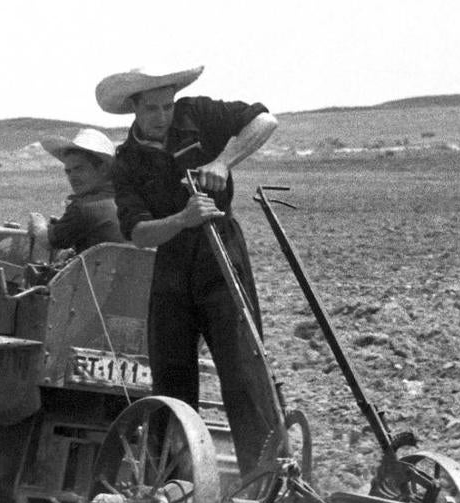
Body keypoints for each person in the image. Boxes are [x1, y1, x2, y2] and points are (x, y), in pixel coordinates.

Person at [95, 65, 279, 476]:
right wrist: (181, 219)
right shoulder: (126, 162)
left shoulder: (198, 114)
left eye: (167, 106)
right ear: (135, 110)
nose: (163, 116)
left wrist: (224, 161)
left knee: (244, 372)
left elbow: (266, 120)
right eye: (152, 109)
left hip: (220, 253)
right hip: (170, 263)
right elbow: (140, 233)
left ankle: (265, 486)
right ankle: (170, 489)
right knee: (171, 379)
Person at [30, 127, 123, 257]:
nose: (72, 177)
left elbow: (46, 241)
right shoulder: (127, 200)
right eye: (68, 171)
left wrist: (38, 225)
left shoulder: (84, 208)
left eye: (79, 169)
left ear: (103, 169)